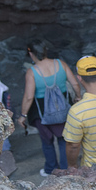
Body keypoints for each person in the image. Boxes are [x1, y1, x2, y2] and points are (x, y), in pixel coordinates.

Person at [16, 40, 81, 176]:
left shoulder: (32, 72)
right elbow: (75, 83)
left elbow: (29, 97)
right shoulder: (61, 64)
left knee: (47, 142)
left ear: (31, 53)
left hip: (42, 112)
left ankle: (51, 169)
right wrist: (78, 97)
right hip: (63, 108)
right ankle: (65, 169)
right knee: (64, 140)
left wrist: (23, 116)